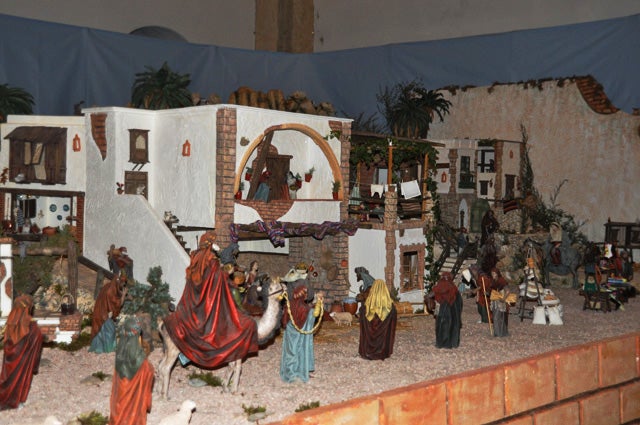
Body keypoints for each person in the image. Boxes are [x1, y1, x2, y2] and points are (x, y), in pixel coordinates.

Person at [0, 295, 43, 410]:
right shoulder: (32, 328)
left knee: (6, 379)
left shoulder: (11, 324)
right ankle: (17, 400)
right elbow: (37, 342)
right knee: (21, 378)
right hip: (24, 363)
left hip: (9, 364)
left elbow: (7, 342)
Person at [109, 316, 154, 425]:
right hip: (134, 403)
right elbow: (148, 372)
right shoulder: (140, 360)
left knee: (120, 404)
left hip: (120, 398)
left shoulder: (119, 354)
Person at [280, 284, 323, 383]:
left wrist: (286, 325)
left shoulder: (289, 304)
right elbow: (314, 313)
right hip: (295, 332)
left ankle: (296, 371)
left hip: (290, 331)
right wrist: (318, 303)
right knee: (295, 351)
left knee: (291, 350)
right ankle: (292, 374)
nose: (307, 295)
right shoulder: (304, 308)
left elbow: (284, 319)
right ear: (302, 295)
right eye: (306, 294)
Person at [358, 279, 397, 360]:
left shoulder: (366, 307)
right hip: (383, 349)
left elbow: (362, 317)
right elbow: (392, 325)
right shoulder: (390, 308)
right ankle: (382, 351)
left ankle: (368, 351)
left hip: (367, 349)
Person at [430, 272, 462, 349]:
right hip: (451, 309)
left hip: (446, 309)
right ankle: (452, 343)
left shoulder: (445, 285)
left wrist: (428, 296)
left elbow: (436, 291)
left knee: (444, 325)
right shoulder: (453, 286)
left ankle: (444, 343)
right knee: (452, 325)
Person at [91, 274, 127, 342]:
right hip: (103, 317)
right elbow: (118, 304)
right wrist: (123, 295)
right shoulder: (110, 292)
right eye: (122, 285)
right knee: (106, 334)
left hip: (100, 314)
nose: (123, 287)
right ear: (119, 282)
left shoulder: (109, 286)